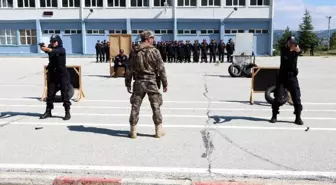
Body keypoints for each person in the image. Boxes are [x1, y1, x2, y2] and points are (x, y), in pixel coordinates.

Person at [125, 30, 168, 139]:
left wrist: (127, 82)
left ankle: (133, 131)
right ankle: (158, 131)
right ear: (148, 39)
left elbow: (129, 68)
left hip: (138, 82)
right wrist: (165, 83)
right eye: (152, 38)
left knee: (135, 106)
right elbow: (161, 68)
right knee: (156, 105)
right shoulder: (155, 51)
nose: (154, 40)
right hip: (151, 82)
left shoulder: (135, 51)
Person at [270, 36, 303, 125]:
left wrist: (298, 51)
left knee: (297, 99)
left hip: (292, 77)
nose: (292, 44)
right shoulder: (283, 50)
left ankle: (298, 118)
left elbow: (300, 52)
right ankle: (274, 116)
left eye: (293, 43)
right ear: (287, 43)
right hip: (282, 77)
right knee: (279, 98)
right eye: (290, 42)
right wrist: (292, 50)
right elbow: (287, 55)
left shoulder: (295, 51)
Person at [39, 34, 72, 120]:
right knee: (50, 94)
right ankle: (48, 111)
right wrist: (42, 47)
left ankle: (67, 112)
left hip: (62, 75)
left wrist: (46, 48)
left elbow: (51, 51)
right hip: (52, 74)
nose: (52, 43)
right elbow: (47, 50)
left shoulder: (61, 49)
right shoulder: (51, 48)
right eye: (51, 41)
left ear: (58, 41)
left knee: (65, 94)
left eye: (54, 41)